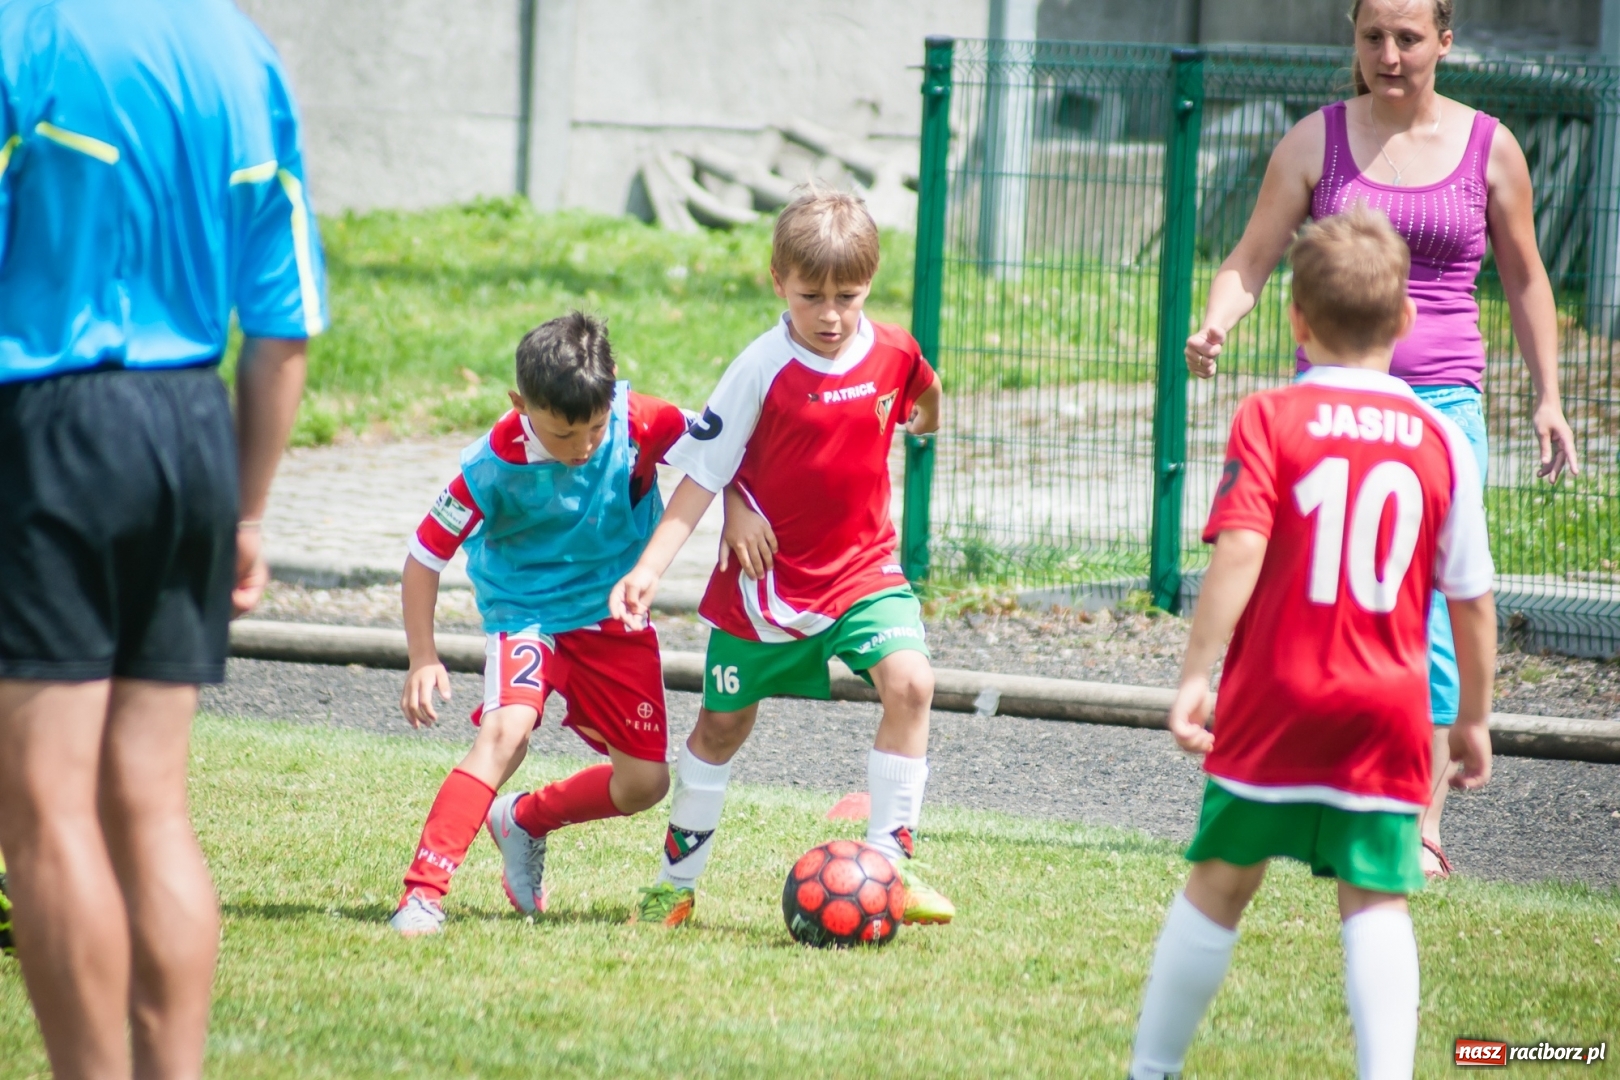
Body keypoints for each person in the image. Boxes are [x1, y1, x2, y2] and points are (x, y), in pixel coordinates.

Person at [0, 0, 322, 1075]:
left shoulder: (26, 33)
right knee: (148, 803)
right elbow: (281, 332)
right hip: (190, 426)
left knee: (47, 811)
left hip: (54, 421)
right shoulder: (242, 51)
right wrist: (245, 508)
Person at [1184, 0, 1577, 879]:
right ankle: (1288, 792)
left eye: (1407, 38)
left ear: (1445, 39)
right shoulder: (1314, 142)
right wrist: (1217, 321)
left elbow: (1524, 277)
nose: (1389, 56)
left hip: (1441, 409)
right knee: (1303, 595)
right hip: (1325, 401)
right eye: (1372, 38)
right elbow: (1251, 257)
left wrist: (1548, 396)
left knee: (1431, 608)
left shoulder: (1490, 147)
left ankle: (1420, 821)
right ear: (1353, 41)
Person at [1127, 207, 1496, 1080]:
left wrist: (1194, 672)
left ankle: (1152, 1069)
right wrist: (1473, 719)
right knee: (1376, 901)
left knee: (1220, 881)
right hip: (1389, 710)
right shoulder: (1443, 438)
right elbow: (1472, 599)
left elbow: (1242, 548)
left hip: (1277, 696)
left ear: (1295, 321)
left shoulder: (1272, 417)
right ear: (1406, 320)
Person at [610, 187, 953, 929]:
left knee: (913, 685)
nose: (831, 315)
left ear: (871, 283)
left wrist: (924, 417)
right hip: (766, 589)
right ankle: (674, 885)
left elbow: (924, 391)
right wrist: (649, 570)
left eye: (848, 296)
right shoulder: (758, 369)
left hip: (865, 570)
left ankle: (890, 867)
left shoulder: (893, 349)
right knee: (722, 730)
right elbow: (703, 472)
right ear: (777, 282)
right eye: (811, 296)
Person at [388, 312, 693, 936]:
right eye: (562, 435)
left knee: (644, 784)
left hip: (612, 617)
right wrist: (423, 657)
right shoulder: (488, 466)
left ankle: (524, 819)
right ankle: (422, 895)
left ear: (613, 391)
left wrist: (741, 512)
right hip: (525, 614)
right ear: (520, 404)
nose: (582, 448)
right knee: (507, 732)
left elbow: (719, 460)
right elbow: (423, 559)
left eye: (594, 430)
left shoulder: (643, 421)